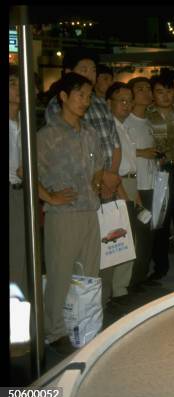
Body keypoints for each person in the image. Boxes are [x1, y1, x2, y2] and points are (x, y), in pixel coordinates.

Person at [37, 73, 105, 352]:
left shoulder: (89, 132)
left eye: (88, 96)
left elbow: (99, 164)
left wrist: (98, 180)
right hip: (62, 214)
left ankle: (85, 325)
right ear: (63, 97)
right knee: (59, 274)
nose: (85, 101)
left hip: (90, 210)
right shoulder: (46, 135)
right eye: (80, 95)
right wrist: (50, 197)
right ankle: (54, 332)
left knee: (89, 274)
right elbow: (27, 173)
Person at [45, 48, 121, 200]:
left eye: (93, 70)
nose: (90, 75)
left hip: (108, 184)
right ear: (68, 73)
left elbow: (115, 145)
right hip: (79, 185)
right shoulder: (59, 105)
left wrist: (111, 176)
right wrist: (102, 176)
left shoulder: (100, 103)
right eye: (84, 70)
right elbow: (68, 147)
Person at [146, 74, 174, 280]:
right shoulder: (146, 116)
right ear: (153, 94)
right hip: (158, 172)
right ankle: (160, 267)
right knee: (160, 220)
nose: (165, 96)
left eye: (169, 91)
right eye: (160, 92)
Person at [105, 82, 138, 304]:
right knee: (117, 239)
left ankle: (121, 288)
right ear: (109, 103)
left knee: (128, 240)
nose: (127, 105)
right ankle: (116, 291)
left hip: (130, 183)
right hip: (118, 184)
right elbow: (111, 166)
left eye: (129, 101)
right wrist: (122, 192)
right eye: (122, 101)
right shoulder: (109, 128)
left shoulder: (124, 127)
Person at [125, 76, 158, 289]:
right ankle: (131, 281)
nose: (146, 92)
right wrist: (142, 152)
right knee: (135, 235)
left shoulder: (148, 121)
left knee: (147, 233)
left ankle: (141, 276)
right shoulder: (125, 121)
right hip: (135, 185)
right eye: (140, 89)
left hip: (151, 183)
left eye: (148, 88)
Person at [9, 65, 28, 299]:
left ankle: (21, 328)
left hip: (23, 193)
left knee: (22, 259)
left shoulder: (25, 120)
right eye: (13, 84)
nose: (19, 89)